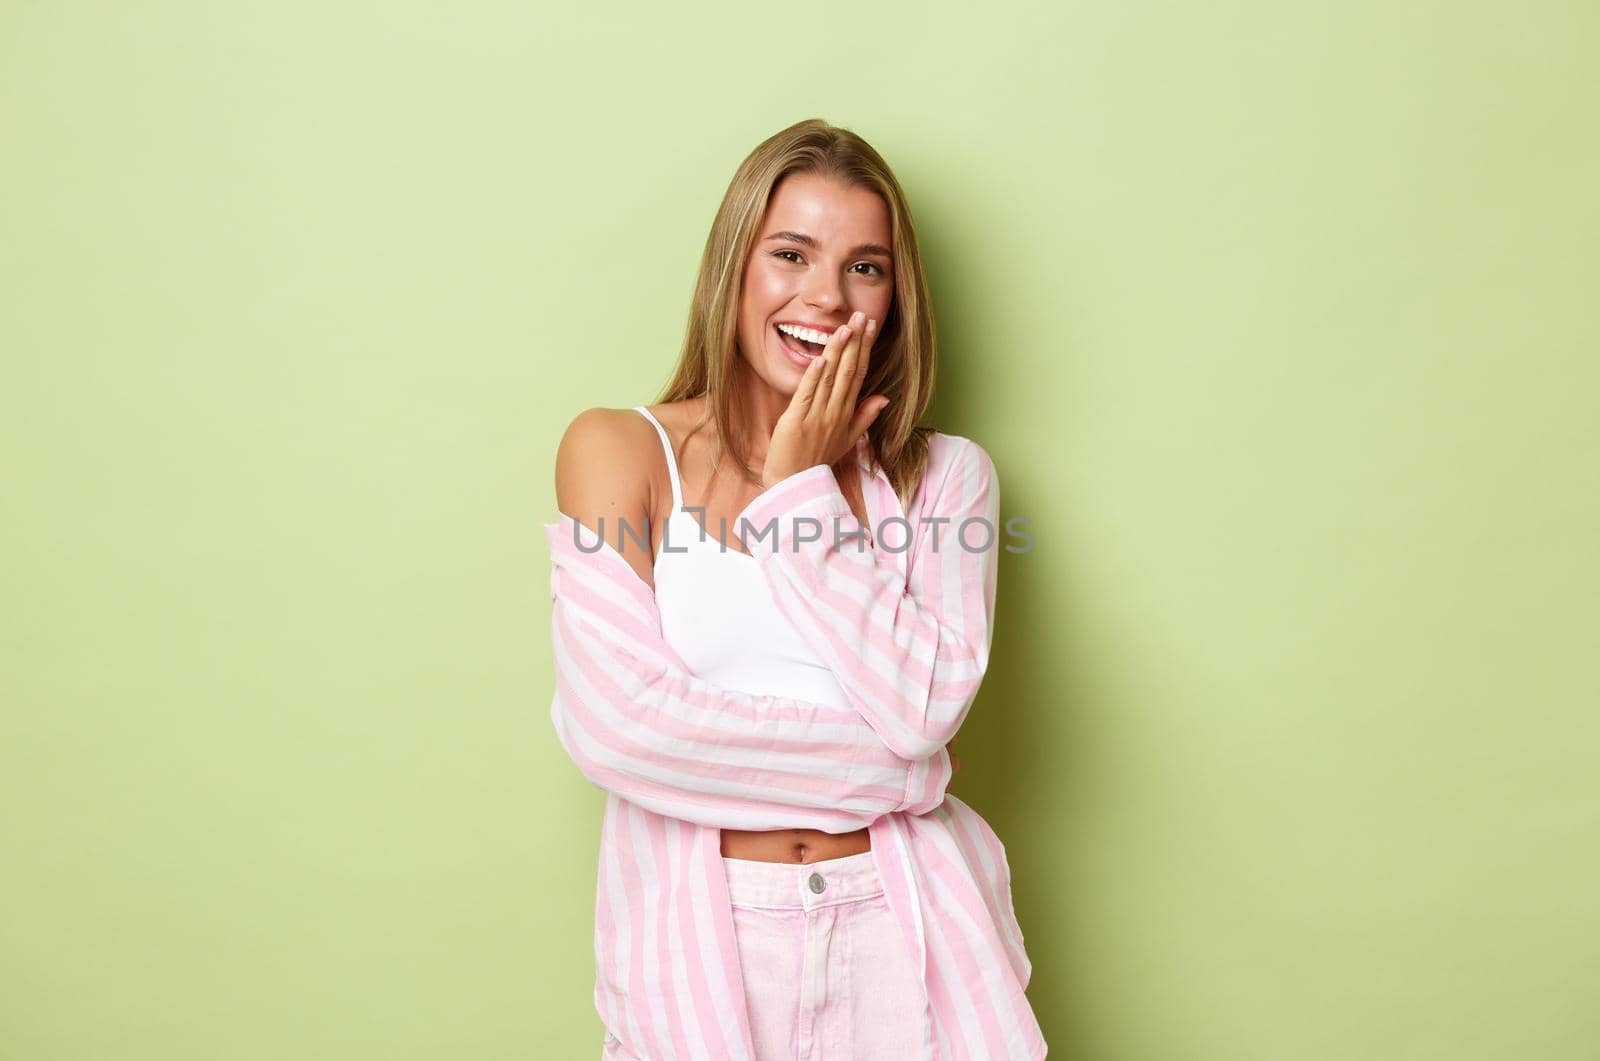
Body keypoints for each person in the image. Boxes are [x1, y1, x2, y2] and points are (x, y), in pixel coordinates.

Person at [549, 118, 1044, 1059]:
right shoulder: (619, 452)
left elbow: (926, 702)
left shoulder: (946, 479)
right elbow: (619, 729)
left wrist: (797, 494)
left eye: (866, 266)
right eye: (791, 253)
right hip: (708, 939)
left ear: (896, 298)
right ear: (735, 267)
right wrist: (903, 775)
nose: (826, 296)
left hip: (904, 934)